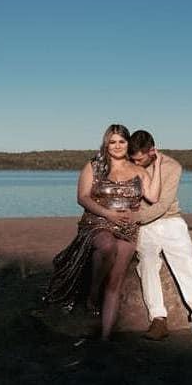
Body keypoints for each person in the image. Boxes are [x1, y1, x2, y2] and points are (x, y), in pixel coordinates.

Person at [44, 124, 162, 341]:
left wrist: (159, 163)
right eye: (112, 142)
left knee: (115, 282)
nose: (117, 146)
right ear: (106, 144)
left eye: (121, 141)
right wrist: (109, 214)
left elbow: (153, 197)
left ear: (128, 143)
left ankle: (105, 337)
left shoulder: (138, 171)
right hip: (97, 221)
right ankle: (93, 293)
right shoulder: (94, 166)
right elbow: (82, 197)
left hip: (127, 228)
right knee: (107, 246)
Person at [129, 130, 192, 342]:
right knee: (147, 262)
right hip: (144, 226)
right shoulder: (129, 165)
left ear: (152, 151)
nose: (136, 163)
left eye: (140, 159)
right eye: (133, 159)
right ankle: (158, 319)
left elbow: (162, 205)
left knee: (185, 261)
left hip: (169, 219)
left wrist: (133, 218)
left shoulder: (172, 167)